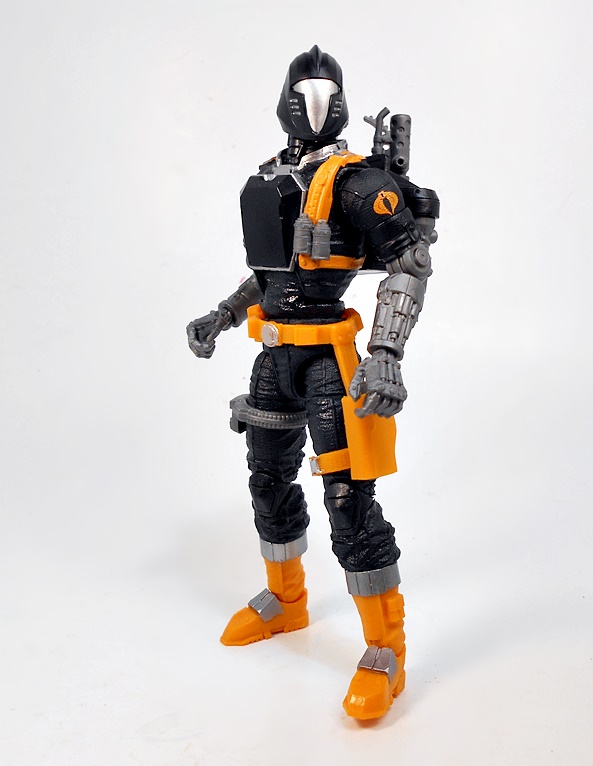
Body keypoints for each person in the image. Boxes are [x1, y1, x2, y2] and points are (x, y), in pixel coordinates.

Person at [187, 45, 439, 720]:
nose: (314, 107)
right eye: (303, 96)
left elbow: (409, 265)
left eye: (327, 96)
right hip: (272, 357)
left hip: (330, 361)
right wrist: (223, 314)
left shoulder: (357, 182)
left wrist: (385, 351)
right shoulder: (273, 178)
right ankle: (287, 599)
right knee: (267, 479)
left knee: (347, 498)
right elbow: (270, 276)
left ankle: (385, 648)